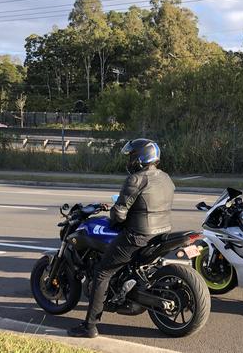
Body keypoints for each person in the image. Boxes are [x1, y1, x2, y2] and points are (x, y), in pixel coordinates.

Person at [68, 138, 175, 338]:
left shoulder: (135, 179)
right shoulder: (165, 177)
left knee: (102, 272)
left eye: (132, 156)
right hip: (161, 233)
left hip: (138, 236)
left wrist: (115, 218)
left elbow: (119, 215)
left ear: (142, 157)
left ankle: (89, 327)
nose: (130, 160)